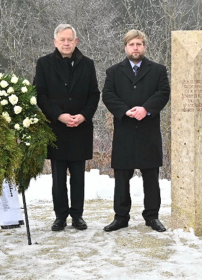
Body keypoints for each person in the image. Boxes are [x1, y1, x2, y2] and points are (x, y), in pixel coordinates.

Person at [102, 29, 170, 232]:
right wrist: (125, 111)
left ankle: (152, 216)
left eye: (139, 44)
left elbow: (163, 92)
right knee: (122, 178)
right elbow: (108, 95)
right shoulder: (113, 71)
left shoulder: (158, 70)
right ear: (125, 47)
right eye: (132, 44)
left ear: (144, 47)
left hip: (148, 131)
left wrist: (146, 109)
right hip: (124, 130)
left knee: (151, 177)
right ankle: (121, 217)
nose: (135, 48)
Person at [33, 24, 100, 231]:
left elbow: (94, 94)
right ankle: (60, 216)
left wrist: (83, 116)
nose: (66, 43)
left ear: (76, 41)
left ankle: (77, 216)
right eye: (62, 39)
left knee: (79, 177)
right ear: (55, 42)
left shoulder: (87, 64)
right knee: (58, 177)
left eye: (70, 39)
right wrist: (59, 115)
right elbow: (40, 95)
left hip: (80, 127)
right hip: (57, 129)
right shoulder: (44, 63)